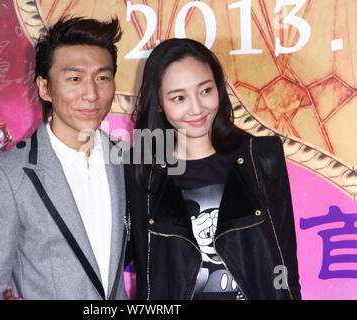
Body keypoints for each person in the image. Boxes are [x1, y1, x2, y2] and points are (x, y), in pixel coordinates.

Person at [125, 38, 301, 300]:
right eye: (179, 97)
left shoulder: (260, 158)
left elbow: (284, 257)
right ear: (159, 103)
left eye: (205, 91)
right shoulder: (141, 172)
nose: (196, 108)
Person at [0, 17, 129, 300]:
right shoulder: (10, 174)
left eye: (102, 77)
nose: (91, 94)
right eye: (74, 79)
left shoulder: (129, 161)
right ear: (44, 88)